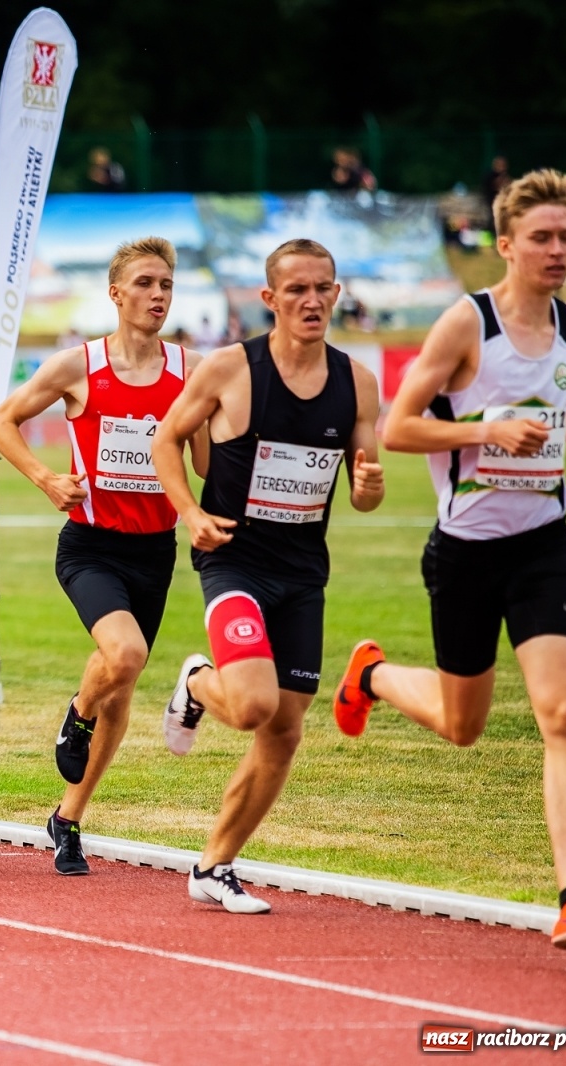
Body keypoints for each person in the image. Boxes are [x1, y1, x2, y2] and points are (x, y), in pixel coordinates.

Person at [332, 170, 566, 950]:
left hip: (542, 546)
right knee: (461, 724)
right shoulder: (465, 326)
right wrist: (486, 433)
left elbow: (564, 419)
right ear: (504, 245)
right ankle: (371, 674)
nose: (557, 250)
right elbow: (400, 429)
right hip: (467, 556)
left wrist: (562, 432)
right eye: (541, 237)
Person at [151, 238, 384, 913]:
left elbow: (367, 494)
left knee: (282, 731)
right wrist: (190, 511)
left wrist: (367, 482)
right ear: (270, 298)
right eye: (297, 290)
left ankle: (215, 865)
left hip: (304, 570)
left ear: (337, 294)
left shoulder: (356, 382)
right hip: (233, 557)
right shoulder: (231, 368)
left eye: (323, 289)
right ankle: (198, 680)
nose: (312, 301)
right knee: (251, 705)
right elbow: (167, 440)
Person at [0, 237, 209, 875]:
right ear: (116, 293)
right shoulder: (78, 366)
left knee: (122, 683)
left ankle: (69, 819)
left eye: (166, 285)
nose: (158, 296)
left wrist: (204, 435)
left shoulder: (190, 371)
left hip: (155, 549)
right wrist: (47, 479)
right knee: (127, 654)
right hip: (90, 545)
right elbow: (3, 422)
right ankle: (75, 713)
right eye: (145, 284)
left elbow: (202, 465)